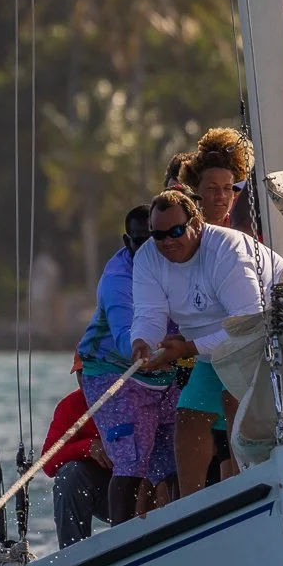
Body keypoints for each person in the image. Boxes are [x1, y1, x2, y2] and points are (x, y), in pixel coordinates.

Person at [129, 189, 283, 497]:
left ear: (197, 224)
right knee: (188, 417)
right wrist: (142, 343)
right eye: (158, 234)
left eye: (176, 231)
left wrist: (188, 348)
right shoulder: (149, 256)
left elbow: (249, 324)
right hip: (210, 348)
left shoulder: (227, 251)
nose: (167, 241)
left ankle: (250, 491)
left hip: (265, 335)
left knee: (233, 399)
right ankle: (192, 508)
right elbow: (149, 313)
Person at [77, 206, 180, 524]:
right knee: (132, 461)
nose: (151, 248)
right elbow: (125, 334)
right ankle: (120, 543)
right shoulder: (117, 280)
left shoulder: (178, 259)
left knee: (177, 456)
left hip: (163, 372)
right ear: (127, 241)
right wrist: (140, 347)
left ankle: (183, 527)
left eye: (156, 239)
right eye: (140, 241)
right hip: (112, 373)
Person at [42, 387, 113, 548]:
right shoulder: (71, 404)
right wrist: (87, 448)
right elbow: (48, 462)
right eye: (80, 373)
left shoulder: (133, 395)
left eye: (90, 370)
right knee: (70, 474)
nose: (85, 378)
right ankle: (73, 555)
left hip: (146, 488)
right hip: (105, 490)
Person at [178, 127, 249, 230]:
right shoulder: (183, 233)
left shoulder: (247, 232)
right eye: (212, 188)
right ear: (195, 189)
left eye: (227, 188)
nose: (220, 195)